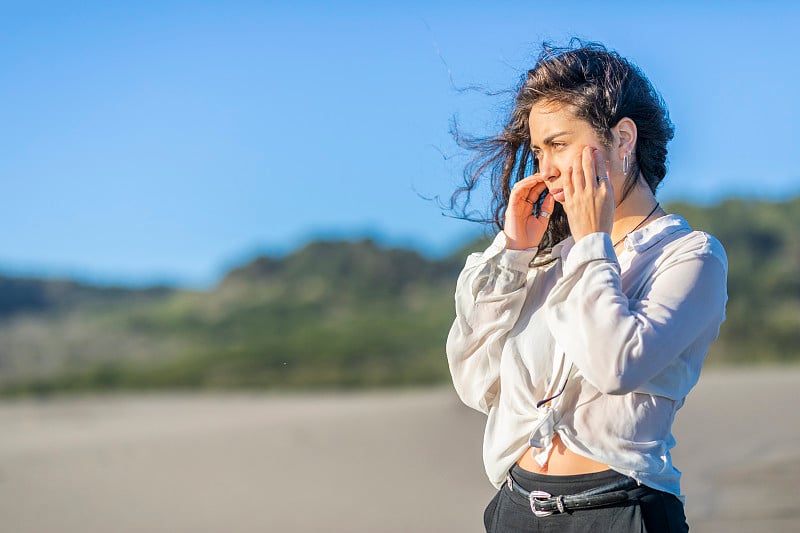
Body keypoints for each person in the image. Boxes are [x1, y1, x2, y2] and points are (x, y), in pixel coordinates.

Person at [446, 40, 728, 532]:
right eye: (537, 151)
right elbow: (475, 382)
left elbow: (615, 364)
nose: (546, 168)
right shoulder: (551, 258)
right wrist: (513, 254)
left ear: (623, 139)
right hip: (515, 510)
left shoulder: (691, 257)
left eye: (558, 144)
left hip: (620, 512)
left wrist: (592, 240)